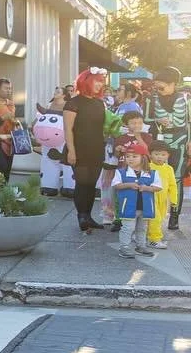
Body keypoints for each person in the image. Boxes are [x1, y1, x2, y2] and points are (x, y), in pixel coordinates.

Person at [63, 67, 110, 232]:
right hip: (78, 147)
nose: (100, 85)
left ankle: (88, 217)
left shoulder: (100, 103)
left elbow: (103, 126)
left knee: (91, 184)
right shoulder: (73, 103)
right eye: (97, 81)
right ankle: (81, 215)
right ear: (87, 81)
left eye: (101, 82)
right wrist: (71, 151)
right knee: (82, 183)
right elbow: (68, 129)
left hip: (96, 147)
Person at [145, 66, 190, 231]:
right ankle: (156, 212)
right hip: (160, 142)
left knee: (177, 179)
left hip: (180, 140)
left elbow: (189, 121)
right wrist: (158, 119)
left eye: (162, 87)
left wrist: (190, 141)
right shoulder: (152, 98)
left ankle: (174, 216)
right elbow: (147, 118)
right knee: (156, 175)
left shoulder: (185, 99)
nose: (159, 90)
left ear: (173, 84)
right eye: (157, 87)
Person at [111, 139, 159, 258]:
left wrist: (147, 188)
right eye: (128, 156)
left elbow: (158, 187)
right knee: (128, 228)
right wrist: (129, 185)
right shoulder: (121, 172)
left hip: (145, 206)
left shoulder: (152, 173)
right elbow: (116, 185)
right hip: (129, 206)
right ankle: (124, 248)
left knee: (142, 228)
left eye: (134, 156)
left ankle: (141, 246)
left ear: (143, 158)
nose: (130, 159)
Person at [147, 140, 176, 249]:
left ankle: (145, 235)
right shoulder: (147, 167)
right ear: (150, 154)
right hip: (150, 197)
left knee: (161, 218)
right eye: (156, 154)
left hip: (163, 199)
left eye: (163, 154)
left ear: (168, 155)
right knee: (155, 218)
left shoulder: (169, 169)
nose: (159, 157)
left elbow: (173, 185)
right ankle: (154, 240)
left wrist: (174, 200)